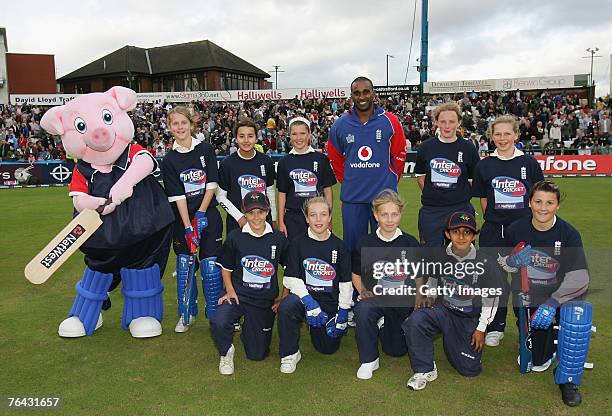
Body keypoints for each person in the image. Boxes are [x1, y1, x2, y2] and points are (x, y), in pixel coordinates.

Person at [498, 180, 591, 407]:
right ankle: (543, 346)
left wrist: (552, 303)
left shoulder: (568, 234)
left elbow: (580, 278)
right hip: (527, 296)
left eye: (549, 203)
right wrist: (511, 261)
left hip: (560, 296)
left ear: (557, 206)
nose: (543, 208)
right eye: (538, 201)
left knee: (577, 314)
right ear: (529, 203)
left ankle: (568, 378)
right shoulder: (515, 229)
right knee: (537, 360)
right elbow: (500, 263)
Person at [402, 211, 503, 390]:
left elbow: (492, 298)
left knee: (469, 370)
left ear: (474, 235)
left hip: (468, 319)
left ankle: (454, 341)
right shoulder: (439, 256)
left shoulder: (485, 262)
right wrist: (430, 297)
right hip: (444, 311)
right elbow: (433, 280)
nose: (461, 237)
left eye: (467, 232)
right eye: (456, 231)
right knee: (416, 319)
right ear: (448, 234)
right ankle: (425, 369)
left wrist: (481, 328)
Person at [471, 115, 544, 347]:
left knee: (523, 282)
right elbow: (483, 200)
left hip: (523, 232)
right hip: (493, 231)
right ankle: (496, 325)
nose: (502, 138)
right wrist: (494, 219)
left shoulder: (529, 163)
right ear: (491, 137)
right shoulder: (485, 164)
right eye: (498, 134)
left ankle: (526, 326)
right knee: (495, 280)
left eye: (507, 134)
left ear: (516, 135)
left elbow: (538, 197)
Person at [210, 191, 290, 375]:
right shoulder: (235, 237)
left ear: (268, 211)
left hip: (263, 302)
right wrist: (229, 290)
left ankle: (249, 330)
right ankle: (226, 352)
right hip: (238, 296)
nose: (256, 217)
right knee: (219, 320)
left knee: (257, 354)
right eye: (251, 212)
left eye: (260, 212)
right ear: (244, 213)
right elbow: (226, 267)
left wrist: (283, 297)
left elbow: (290, 270)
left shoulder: (278, 238)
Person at [161, 106, 224, 333]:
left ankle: (216, 314)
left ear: (191, 124)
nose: (179, 128)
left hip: (209, 216)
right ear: (170, 128)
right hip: (182, 221)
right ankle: (186, 314)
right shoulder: (168, 160)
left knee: (210, 266)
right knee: (185, 264)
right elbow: (178, 196)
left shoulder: (206, 149)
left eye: (183, 123)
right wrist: (189, 227)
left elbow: (211, 184)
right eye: (174, 124)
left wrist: (201, 214)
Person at [327, 76, 407, 252]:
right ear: (351, 96)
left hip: (384, 196)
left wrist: (391, 180)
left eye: (365, 92)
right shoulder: (340, 125)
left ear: (373, 94)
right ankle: (354, 281)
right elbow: (335, 158)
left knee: (386, 247)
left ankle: (386, 281)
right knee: (354, 250)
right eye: (356, 93)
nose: (361, 96)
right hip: (353, 198)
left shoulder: (390, 121)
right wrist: (349, 180)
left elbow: (399, 153)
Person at [277, 196, 352, 373]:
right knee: (287, 306)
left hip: (329, 303)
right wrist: (310, 304)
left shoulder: (340, 246)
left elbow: (345, 282)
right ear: (306, 218)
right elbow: (290, 279)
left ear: (330, 217)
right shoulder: (296, 244)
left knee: (327, 349)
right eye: (313, 215)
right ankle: (290, 353)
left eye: (323, 214)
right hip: (305, 300)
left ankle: (321, 326)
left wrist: (343, 311)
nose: (318, 220)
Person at [351, 190, 421, 380]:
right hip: (377, 298)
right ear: (375, 215)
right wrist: (363, 291)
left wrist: (418, 298)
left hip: (402, 300)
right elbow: (355, 274)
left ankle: (382, 326)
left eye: (394, 214)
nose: (389, 219)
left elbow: (418, 276)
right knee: (363, 310)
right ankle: (369, 360)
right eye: (384, 214)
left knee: (396, 351)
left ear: (400, 215)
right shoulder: (365, 242)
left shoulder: (410, 243)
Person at [414, 102, 480, 247]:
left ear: (459, 122)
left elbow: (472, 180)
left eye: (452, 121)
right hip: (431, 211)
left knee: (462, 259)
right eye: (443, 121)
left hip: (461, 209)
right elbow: (420, 177)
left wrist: (458, 197)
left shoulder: (468, 147)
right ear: (436, 122)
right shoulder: (425, 147)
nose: (447, 126)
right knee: (431, 259)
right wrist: (435, 195)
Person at [277, 117, 336, 240]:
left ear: (309, 134)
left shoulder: (321, 159)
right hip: (293, 218)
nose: (299, 138)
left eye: (302, 133)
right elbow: (282, 193)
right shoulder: (284, 162)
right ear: (289, 136)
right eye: (294, 134)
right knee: (293, 255)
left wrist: (329, 217)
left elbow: (328, 190)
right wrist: (281, 221)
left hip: (317, 217)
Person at [216, 118, 277, 234]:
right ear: (236, 138)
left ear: (256, 138)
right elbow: (220, 197)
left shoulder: (266, 161)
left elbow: (270, 192)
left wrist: (273, 218)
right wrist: (239, 217)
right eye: (241, 136)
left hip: (263, 221)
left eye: (250, 136)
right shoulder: (227, 164)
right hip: (237, 223)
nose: (246, 140)